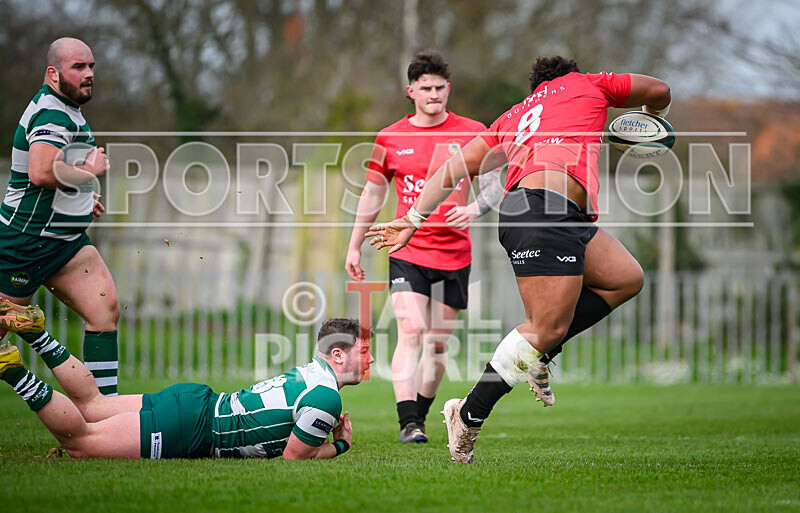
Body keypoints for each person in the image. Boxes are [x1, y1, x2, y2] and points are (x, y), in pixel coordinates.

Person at [367, 56, 671, 462]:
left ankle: (539, 353)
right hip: (541, 210)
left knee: (625, 278)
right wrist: (652, 119)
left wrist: (413, 218)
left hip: (552, 212)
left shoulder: (514, 115)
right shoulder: (588, 83)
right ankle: (468, 414)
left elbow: (451, 169)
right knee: (543, 329)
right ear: (568, 75)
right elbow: (660, 90)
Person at [345, 51, 502, 443]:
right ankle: (408, 422)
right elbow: (372, 194)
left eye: (440, 87)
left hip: (454, 253)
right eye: (426, 88)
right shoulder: (389, 137)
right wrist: (354, 245)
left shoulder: (473, 132)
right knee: (411, 330)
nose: (434, 94)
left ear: (449, 89)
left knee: (436, 344)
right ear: (410, 91)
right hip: (408, 249)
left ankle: (420, 416)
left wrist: (475, 208)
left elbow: (495, 183)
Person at [0, 308, 371, 460]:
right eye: (365, 351)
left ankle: (36, 334)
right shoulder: (326, 396)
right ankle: (13, 370)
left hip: (196, 401)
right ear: (337, 354)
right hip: (193, 429)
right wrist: (340, 445)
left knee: (93, 405)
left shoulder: (309, 373)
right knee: (81, 443)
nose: (370, 360)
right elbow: (295, 458)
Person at [0, 37, 120, 396]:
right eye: (78, 67)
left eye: (91, 66)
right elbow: (40, 172)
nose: (89, 73)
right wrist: (89, 171)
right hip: (26, 243)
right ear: (53, 73)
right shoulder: (52, 112)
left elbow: (54, 175)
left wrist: (79, 201)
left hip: (64, 244)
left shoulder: (67, 109)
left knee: (104, 311)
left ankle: (104, 414)